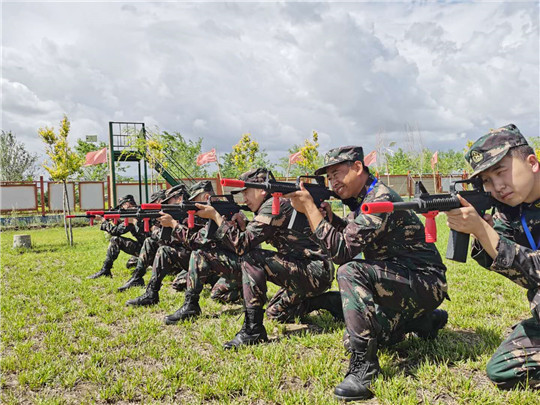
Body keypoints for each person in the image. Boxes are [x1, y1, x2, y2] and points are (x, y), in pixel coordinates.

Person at [286, 146, 449, 401]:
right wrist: (331, 220)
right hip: (402, 280)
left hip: (425, 281)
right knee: (357, 337)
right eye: (329, 177)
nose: (333, 182)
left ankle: (364, 368)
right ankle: (425, 321)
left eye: (337, 173)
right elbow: (355, 235)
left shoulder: (378, 199)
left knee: (350, 271)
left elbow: (342, 252)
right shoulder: (363, 200)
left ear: (358, 167)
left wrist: (310, 209)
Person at [169, 168, 338, 350]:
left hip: (314, 269)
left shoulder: (275, 204)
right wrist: (241, 224)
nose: (244, 199)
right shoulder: (274, 204)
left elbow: (242, 245)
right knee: (276, 312)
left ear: (262, 190)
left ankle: (253, 329)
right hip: (306, 269)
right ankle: (327, 301)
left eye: (247, 192)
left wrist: (216, 217)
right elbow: (253, 235)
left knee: (253, 258)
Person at [446, 124, 540, 389]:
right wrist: (481, 230)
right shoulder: (512, 209)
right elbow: (508, 261)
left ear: (531, 162)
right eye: (486, 180)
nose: (497, 186)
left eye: (501, 172)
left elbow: (535, 269)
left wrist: (482, 230)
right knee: (503, 368)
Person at [126, 181, 239, 306]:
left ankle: (241, 289)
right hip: (209, 263)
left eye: (195, 201)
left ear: (206, 198)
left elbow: (197, 241)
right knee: (165, 251)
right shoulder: (202, 215)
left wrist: (174, 225)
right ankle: (151, 294)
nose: (192, 205)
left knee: (217, 294)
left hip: (228, 267)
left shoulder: (223, 214)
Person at [87, 194, 149, 279]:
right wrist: (115, 220)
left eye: (122, 206)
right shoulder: (138, 211)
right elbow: (121, 229)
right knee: (130, 264)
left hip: (149, 249)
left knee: (115, 240)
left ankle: (105, 270)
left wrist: (103, 221)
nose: (122, 208)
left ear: (127, 204)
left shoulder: (134, 214)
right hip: (146, 247)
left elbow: (115, 232)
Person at [117, 189, 167, 292]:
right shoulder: (146, 214)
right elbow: (116, 230)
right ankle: (137, 277)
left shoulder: (164, 214)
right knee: (130, 263)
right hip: (152, 249)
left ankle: (140, 280)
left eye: (155, 203)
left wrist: (137, 223)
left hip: (167, 252)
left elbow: (152, 236)